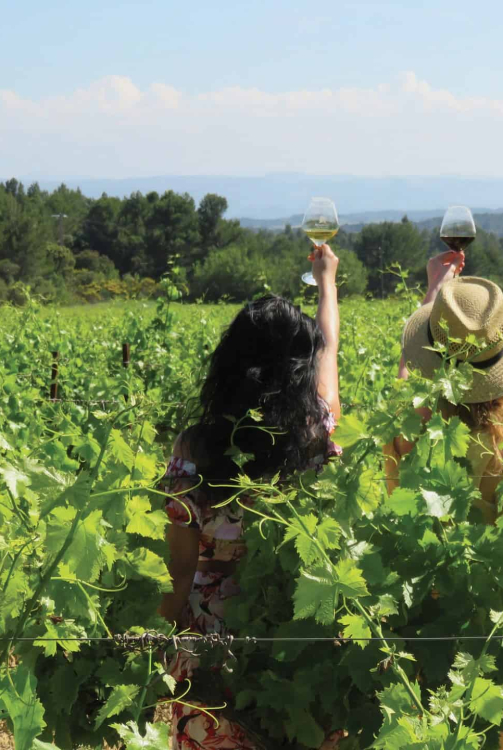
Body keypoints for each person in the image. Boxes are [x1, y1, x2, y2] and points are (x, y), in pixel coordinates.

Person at [158, 245, 344, 750]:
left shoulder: (194, 450)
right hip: (296, 647)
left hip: (212, 657)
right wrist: (327, 283)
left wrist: (152, 655)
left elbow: (177, 573)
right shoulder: (317, 437)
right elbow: (327, 359)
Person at [387, 250, 503, 750]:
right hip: (494, 665)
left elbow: (408, 386)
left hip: (416, 650)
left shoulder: (404, 433)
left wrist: (434, 295)